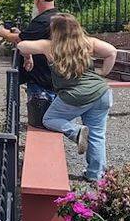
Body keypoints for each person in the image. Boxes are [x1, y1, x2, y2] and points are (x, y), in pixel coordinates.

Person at [17, 14, 117, 181]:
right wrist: (103, 73)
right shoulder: (88, 43)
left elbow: (21, 45)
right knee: (98, 134)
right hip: (102, 93)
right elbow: (112, 52)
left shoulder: (49, 46)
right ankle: (95, 175)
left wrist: (28, 56)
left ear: (54, 31)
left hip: (75, 95)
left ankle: (76, 132)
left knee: (49, 119)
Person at [0, 0, 59, 102]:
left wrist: (4, 33)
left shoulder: (42, 20)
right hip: (55, 77)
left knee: (40, 116)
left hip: (41, 78)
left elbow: (20, 40)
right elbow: (30, 38)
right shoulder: (59, 17)